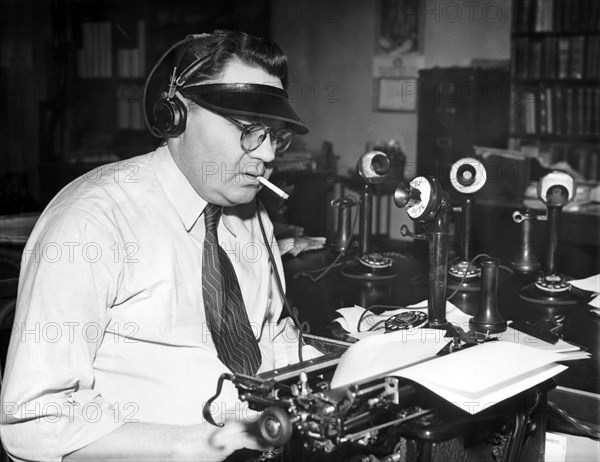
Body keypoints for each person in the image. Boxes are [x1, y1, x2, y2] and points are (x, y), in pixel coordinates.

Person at [0, 30, 314, 461]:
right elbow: (34, 420)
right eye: (248, 130)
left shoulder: (250, 211)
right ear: (176, 115)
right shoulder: (92, 221)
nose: (266, 154)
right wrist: (193, 445)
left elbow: (270, 335)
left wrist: (341, 374)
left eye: (275, 135)